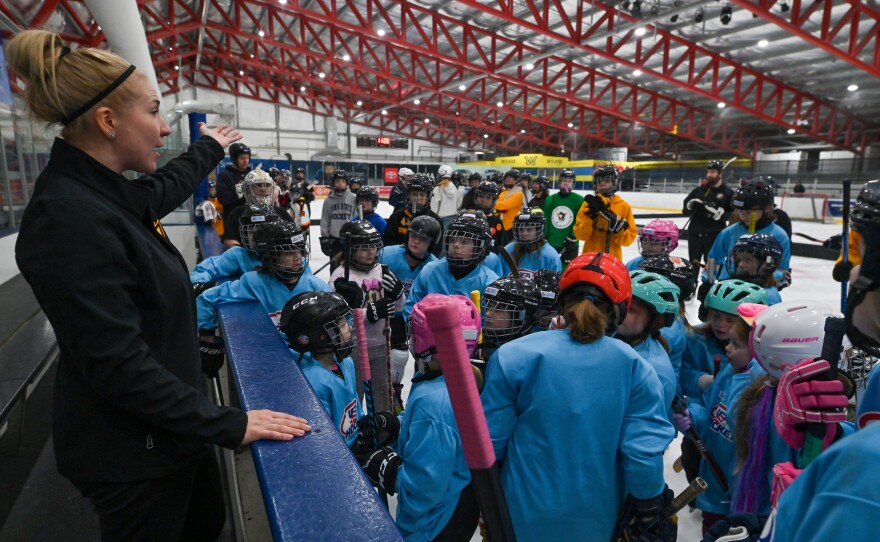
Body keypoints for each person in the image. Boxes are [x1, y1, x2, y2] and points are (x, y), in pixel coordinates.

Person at [9, 30, 310, 541]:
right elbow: (119, 366)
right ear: (108, 121)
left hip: (170, 430)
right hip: (134, 453)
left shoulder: (101, 194)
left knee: (205, 521)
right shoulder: (68, 219)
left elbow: (159, 189)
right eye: (152, 112)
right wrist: (228, 423)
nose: (164, 127)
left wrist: (209, 148)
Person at [481, 252, 675, 541]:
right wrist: (649, 503)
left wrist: (486, 503)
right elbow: (642, 453)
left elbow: (490, 444)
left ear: (563, 302)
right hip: (596, 517)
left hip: (520, 512)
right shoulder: (636, 368)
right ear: (620, 309)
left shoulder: (512, 355)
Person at [361, 294, 482, 541]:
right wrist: (398, 425)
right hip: (457, 499)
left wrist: (391, 472)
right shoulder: (450, 375)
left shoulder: (434, 404)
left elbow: (422, 490)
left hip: (434, 524)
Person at [672, 301, 768, 535]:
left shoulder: (763, 389)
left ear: (758, 351)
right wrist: (693, 417)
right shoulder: (729, 371)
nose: (727, 349)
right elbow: (710, 410)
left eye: (736, 344)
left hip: (746, 497)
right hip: (716, 488)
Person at [196, 220, 330, 335]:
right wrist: (206, 334)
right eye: (289, 252)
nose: (297, 257)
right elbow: (208, 297)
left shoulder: (317, 286)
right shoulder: (254, 282)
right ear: (270, 257)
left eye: (300, 250)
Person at [329, 220, 404, 413]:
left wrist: (398, 294)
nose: (371, 252)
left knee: (382, 397)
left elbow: (397, 308)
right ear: (349, 249)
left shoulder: (382, 271)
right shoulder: (340, 277)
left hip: (381, 345)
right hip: (353, 348)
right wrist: (368, 313)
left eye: (373, 247)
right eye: (364, 248)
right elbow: (336, 319)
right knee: (354, 396)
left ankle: (382, 428)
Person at [278, 292, 362, 447]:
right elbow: (323, 439)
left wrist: (364, 428)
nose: (349, 327)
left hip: (355, 445)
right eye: (342, 324)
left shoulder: (346, 362)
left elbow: (355, 409)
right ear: (321, 336)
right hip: (340, 453)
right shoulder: (314, 382)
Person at [379, 215, 442, 414]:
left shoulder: (434, 267)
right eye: (413, 236)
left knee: (401, 355)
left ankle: (395, 390)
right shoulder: (387, 255)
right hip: (381, 314)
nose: (416, 241)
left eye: (423, 239)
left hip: (412, 320)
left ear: (431, 244)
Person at [403, 211, 499, 320]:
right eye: (452, 240)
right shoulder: (430, 271)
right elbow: (410, 310)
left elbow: (490, 324)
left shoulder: (489, 283)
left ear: (480, 249)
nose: (456, 245)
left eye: (464, 242)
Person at [705, 179, 791, 290]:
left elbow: (782, 270)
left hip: (761, 290)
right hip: (728, 287)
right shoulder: (729, 232)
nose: (743, 216)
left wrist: (766, 278)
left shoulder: (779, 236)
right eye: (740, 211)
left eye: (749, 212)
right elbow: (713, 260)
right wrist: (708, 282)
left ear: (766, 208)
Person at [618, 270, 680, 421]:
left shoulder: (657, 374)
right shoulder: (614, 335)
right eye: (619, 303)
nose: (620, 311)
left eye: (631, 309)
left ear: (654, 320)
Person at [190, 204, 279, 290]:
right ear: (245, 234)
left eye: (262, 231)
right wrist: (198, 285)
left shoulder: (283, 254)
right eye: (252, 232)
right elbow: (205, 268)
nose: (257, 236)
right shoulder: (240, 256)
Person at [572, 164, 637, 260]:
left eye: (607, 181)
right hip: (590, 258)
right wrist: (589, 218)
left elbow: (628, 240)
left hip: (613, 260)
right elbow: (580, 235)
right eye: (599, 181)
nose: (602, 184)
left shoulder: (624, 206)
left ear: (614, 183)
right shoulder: (588, 205)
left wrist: (618, 228)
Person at [221, 167, 293, 248]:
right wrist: (241, 252)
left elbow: (295, 234)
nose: (263, 189)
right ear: (248, 188)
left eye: (267, 185)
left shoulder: (280, 212)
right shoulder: (238, 212)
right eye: (258, 185)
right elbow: (229, 239)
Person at [682, 160, 735, 266]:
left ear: (721, 173)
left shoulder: (728, 193)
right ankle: (693, 278)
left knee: (711, 265)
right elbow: (685, 210)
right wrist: (691, 206)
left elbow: (733, 214)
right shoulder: (698, 191)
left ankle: (709, 277)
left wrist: (721, 215)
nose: (709, 175)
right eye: (708, 172)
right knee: (693, 263)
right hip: (695, 233)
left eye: (712, 172)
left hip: (714, 235)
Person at [383, 174, 443, 256]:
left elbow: (437, 247)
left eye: (422, 195)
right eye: (414, 195)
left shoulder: (435, 220)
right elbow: (388, 241)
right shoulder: (397, 217)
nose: (417, 199)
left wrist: (423, 258)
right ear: (408, 195)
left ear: (428, 197)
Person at [498, 208, 562, 280]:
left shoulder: (551, 256)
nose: (524, 233)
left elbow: (555, 284)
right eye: (521, 229)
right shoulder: (507, 251)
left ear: (539, 230)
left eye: (529, 229)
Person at [725, 233, 784, 304]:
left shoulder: (768, 298)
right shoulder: (732, 287)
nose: (740, 264)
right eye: (738, 259)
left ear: (767, 264)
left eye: (748, 260)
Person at [543, 169, 584, 268]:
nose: (566, 183)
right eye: (564, 180)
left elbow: (581, 221)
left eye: (569, 181)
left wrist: (573, 236)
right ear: (560, 181)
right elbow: (546, 220)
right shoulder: (550, 199)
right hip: (552, 242)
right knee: (550, 270)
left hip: (571, 243)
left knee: (567, 270)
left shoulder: (579, 200)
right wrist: (543, 237)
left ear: (573, 183)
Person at [319, 170, 357, 273]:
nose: (340, 184)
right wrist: (324, 238)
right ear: (333, 183)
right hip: (334, 239)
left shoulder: (353, 198)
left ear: (347, 183)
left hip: (350, 239)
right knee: (335, 268)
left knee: (351, 268)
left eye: (343, 181)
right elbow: (325, 220)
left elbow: (357, 218)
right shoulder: (328, 201)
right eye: (337, 181)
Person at [470, 180, 509, 253]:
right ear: (476, 197)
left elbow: (503, 246)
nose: (484, 200)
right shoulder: (469, 217)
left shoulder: (497, 222)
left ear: (494, 200)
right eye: (481, 196)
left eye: (488, 198)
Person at [215, 141, 252, 217]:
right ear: (234, 159)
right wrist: (240, 190)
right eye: (242, 158)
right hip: (232, 218)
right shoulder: (224, 175)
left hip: (250, 217)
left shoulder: (252, 175)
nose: (246, 161)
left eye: (247, 158)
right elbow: (222, 199)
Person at [431, 164, 463, 230]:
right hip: (454, 218)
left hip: (440, 219)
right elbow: (458, 205)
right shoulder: (455, 188)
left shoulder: (438, 189)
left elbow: (434, 208)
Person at [495, 169, 526, 233]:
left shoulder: (519, 194)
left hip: (511, 227)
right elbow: (497, 208)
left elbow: (504, 205)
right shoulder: (503, 193)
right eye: (506, 177)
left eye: (510, 177)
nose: (507, 179)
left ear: (516, 180)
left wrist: (491, 204)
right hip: (501, 225)